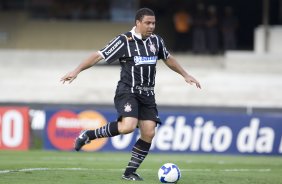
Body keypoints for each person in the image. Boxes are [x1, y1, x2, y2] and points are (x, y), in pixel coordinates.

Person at [61, 8, 201, 181]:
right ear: (138, 23)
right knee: (128, 126)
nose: (151, 26)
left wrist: (185, 75)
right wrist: (76, 71)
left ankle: (129, 173)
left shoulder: (156, 41)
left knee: (149, 132)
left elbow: (168, 58)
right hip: (128, 92)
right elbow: (98, 56)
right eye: (148, 23)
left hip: (148, 95)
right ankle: (88, 135)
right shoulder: (124, 41)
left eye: (154, 23)